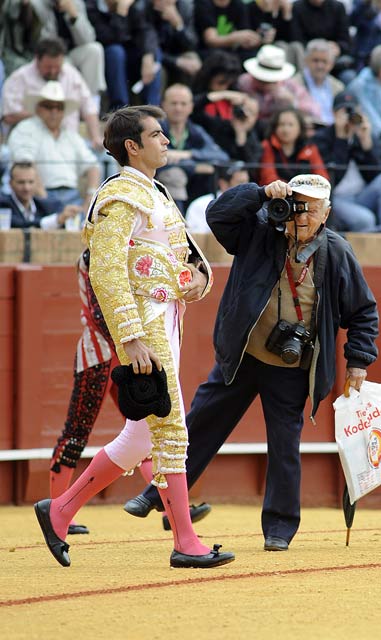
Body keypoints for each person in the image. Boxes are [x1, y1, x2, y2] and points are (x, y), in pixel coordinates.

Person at [124, 172, 379, 552]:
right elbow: (217, 216)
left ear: (326, 214)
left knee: (284, 447)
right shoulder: (261, 230)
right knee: (199, 424)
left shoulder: (337, 252)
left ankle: (279, 528)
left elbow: (363, 313)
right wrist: (260, 193)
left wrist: (358, 362)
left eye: (311, 210)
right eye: (296, 206)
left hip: (291, 369)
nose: (301, 216)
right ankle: (154, 493)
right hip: (242, 355)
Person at [34, 104, 234, 570]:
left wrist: (195, 281)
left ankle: (59, 510)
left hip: (167, 315)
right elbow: (105, 271)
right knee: (169, 429)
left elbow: (187, 257)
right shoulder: (120, 196)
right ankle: (185, 540)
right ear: (133, 146)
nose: (166, 141)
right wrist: (130, 336)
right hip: (145, 323)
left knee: (139, 438)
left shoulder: (156, 193)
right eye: (157, 134)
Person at [49, 248, 211, 535]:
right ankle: (57, 506)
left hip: (129, 352)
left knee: (145, 430)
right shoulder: (95, 257)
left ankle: (162, 504)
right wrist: (133, 343)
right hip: (99, 355)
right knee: (78, 432)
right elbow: (102, 313)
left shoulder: (128, 250)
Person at [313, 91, 381, 233]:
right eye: (344, 111)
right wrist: (341, 140)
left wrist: (366, 143)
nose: (349, 116)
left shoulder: (363, 134)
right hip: (335, 198)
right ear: (333, 113)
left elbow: (377, 174)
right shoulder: (322, 138)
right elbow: (332, 178)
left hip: (362, 194)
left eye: (353, 111)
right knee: (365, 219)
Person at [7, 80, 101, 211]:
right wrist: (45, 200)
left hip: (72, 196)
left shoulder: (70, 135)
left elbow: (93, 166)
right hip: (38, 196)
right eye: (49, 106)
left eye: (59, 108)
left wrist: (90, 199)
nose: (54, 112)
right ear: (38, 108)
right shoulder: (25, 129)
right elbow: (26, 166)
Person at [1, 37, 104, 151]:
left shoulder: (71, 74)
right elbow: (8, 116)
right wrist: (42, 113)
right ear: (37, 60)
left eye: (57, 67)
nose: (53, 71)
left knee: (104, 155)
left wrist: (96, 138)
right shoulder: (19, 78)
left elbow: (89, 108)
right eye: (48, 67)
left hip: (69, 143)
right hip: (31, 143)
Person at [157, 83, 229, 213]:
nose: (178, 108)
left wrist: (188, 155)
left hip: (195, 187)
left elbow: (221, 156)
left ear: (191, 107)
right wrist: (196, 167)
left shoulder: (196, 130)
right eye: (174, 103)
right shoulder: (155, 129)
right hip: (159, 186)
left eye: (183, 104)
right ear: (163, 105)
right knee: (174, 175)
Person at [85, 0, 161, 110]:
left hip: (131, 58)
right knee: (115, 52)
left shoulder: (133, 4)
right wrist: (120, 14)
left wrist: (148, 55)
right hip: (106, 60)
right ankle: (120, 109)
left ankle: (152, 109)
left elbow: (147, 31)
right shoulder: (91, 6)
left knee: (155, 53)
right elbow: (109, 38)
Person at [191, 50, 263, 166]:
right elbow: (192, 109)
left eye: (228, 84)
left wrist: (241, 134)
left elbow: (250, 163)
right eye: (221, 83)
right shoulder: (198, 97)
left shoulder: (235, 103)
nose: (224, 87)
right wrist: (222, 95)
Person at [32, 0, 107, 103]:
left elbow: (88, 39)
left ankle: (92, 105)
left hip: (73, 52)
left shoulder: (76, 3)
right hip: (51, 55)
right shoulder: (37, 4)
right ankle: (64, 108)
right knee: (64, 64)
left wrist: (73, 15)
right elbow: (42, 44)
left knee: (95, 49)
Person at [237, 44, 322, 133]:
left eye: (269, 81)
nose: (265, 84)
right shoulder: (244, 82)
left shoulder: (289, 85)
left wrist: (293, 102)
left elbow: (314, 111)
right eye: (261, 80)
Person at [258, 106, 329, 186]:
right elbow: (268, 178)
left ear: (300, 128)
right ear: (275, 127)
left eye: (290, 125)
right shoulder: (267, 146)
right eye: (281, 124)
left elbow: (322, 178)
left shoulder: (310, 148)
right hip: (276, 195)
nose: (286, 129)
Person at [0, 161, 82, 229]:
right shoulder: (3, 204)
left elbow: (60, 211)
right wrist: (57, 220)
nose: (26, 188)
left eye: (30, 182)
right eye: (21, 182)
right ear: (10, 184)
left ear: (37, 183)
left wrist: (68, 215)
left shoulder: (42, 205)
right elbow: (19, 225)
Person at [185, 161, 250, 233]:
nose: (247, 187)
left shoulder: (253, 205)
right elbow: (196, 237)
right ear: (223, 184)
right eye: (240, 182)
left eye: (247, 182)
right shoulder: (200, 205)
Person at [292, 39, 345, 126]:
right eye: (315, 60)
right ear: (306, 61)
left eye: (324, 62)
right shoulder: (295, 83)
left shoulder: (338, 87)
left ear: (331, 64)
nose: (320, 66)